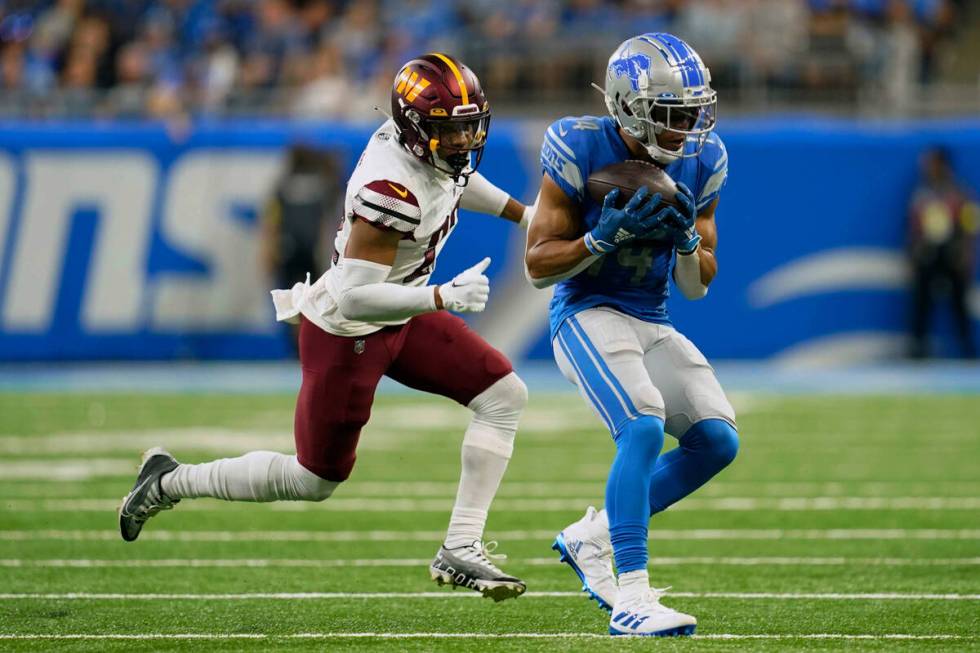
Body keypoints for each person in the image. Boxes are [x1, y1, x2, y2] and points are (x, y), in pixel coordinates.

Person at [119, 52, 532, 601]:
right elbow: (356, 298)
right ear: (417, 130)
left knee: (504, 394)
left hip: (403, 310)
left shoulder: (423, 150)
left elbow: (456, 183)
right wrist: (439, 296)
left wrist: (524, 215)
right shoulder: (392, 187)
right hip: (348, 331)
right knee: (315, 479)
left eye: (467, 127)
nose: (462, 141)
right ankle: (170, 479)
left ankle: (461, 546)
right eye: (448, 130)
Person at [524, 33, 739, 636]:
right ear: (628, 105)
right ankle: (633, 597)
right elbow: (537, 266)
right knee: (642, 423)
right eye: (672, 114)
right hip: (585, 312)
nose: (686, 127)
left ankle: (592, 538)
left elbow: (698, 287)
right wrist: (598, 241)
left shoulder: (706, 158)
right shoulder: (579, 145)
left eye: (694, 112)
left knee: (717, 442)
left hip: (651, 314)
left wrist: (688, 243)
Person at [260, 143, 343, 352]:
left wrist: (268, 251)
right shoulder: (323, 185)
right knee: (313, 303)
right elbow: (330, 221)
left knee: (292, 303)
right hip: (313, 250)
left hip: (287, 248)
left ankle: (298, 346)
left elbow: (271, 222)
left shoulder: (283, 187)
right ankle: (309, 345)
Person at [908, 146, 979, 359]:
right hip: (928, 254)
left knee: (958, 304)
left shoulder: (961, 193)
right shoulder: (922, 194)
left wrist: (967, 253)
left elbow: (970, 225)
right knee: (922, 303)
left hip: (952, 253)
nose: (929, 168)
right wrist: (914, 252)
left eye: (933, 163)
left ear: (943, 165)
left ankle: (967, 349)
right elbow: (913, 226)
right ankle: (918, 350)